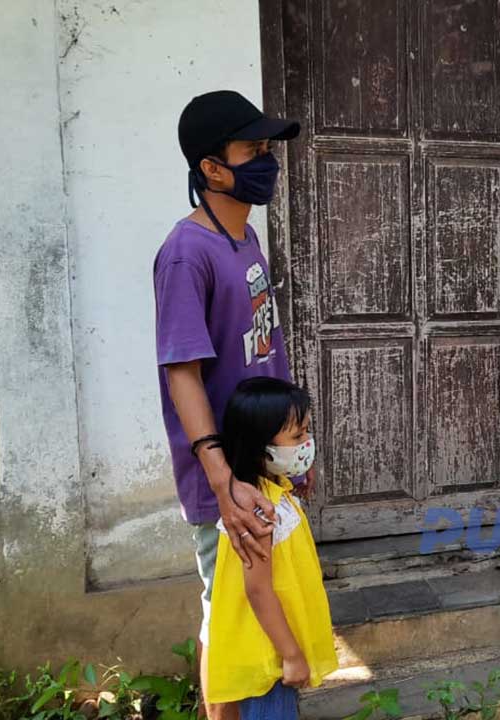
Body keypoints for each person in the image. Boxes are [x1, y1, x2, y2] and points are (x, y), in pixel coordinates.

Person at [154, 89, 305, 719]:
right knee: (228, 620)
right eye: (252, 150)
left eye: (268, 148)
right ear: (212, 168)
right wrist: (221, 479)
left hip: (259, 469)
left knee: (250, 615)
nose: (267, 161)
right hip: (227, 480)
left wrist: (290, 452)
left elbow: (259, 351)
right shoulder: (186, 253)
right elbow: (182, 372)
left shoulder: (244, 240)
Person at [203, 377, 338, 719]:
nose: (307, 442)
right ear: (260, 447)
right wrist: (290, 654)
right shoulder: (257, 512)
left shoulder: (275, 492)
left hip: (275, 648)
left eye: (307, 431)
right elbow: (258, 590)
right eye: (297, 436)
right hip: (268, 658)